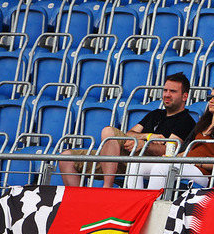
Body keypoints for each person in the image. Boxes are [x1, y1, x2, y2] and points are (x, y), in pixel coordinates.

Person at [59, 73, 196, 187]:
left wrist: (145, 145)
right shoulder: (156, 114)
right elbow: (129, 134)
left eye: (172, 91)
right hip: (124, 158)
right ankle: (75, 202)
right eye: (165, 90)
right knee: (66, 158)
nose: (166, 94)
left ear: (184, 96)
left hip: (149, 163)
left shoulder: (186, 120)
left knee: (109, 132)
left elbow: (168, 151)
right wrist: (148, 137)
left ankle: (107, 188)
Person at [141, 84, 214, 190]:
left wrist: (197, 161)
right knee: (136, 166)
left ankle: (152, 203)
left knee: (162, 168)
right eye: (210, 97)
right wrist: (173, 157)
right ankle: (137, 204)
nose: (211, 101)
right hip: (185, 164)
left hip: (202, 172)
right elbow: (186, 150)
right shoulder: (201, 125)